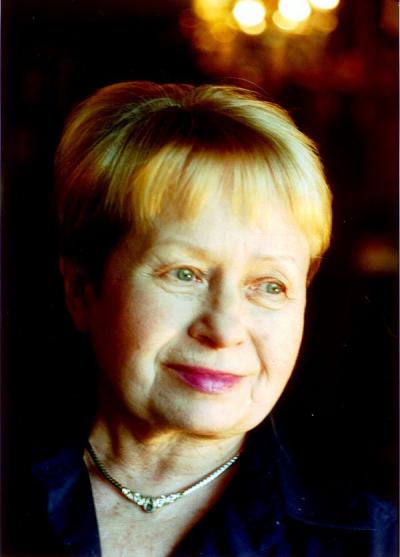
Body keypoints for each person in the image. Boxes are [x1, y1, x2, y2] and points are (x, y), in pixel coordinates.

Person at [10, 82, 396, 556]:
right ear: (82, 290)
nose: (225, 330)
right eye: (185, 274)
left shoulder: (375, 540)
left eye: (269, 285)